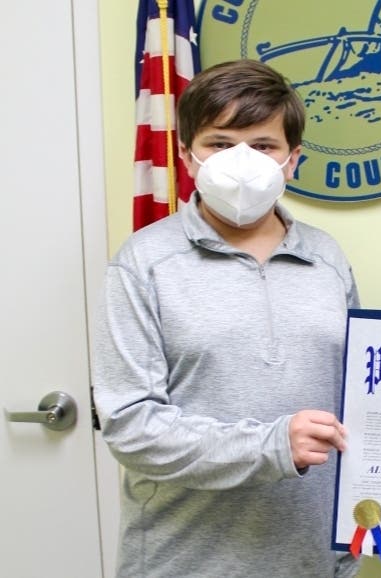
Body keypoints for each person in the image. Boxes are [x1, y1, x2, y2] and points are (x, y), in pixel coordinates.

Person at [93, 59, 360, 578]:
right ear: (187, 156)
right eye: (220, 143)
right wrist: (271, 445)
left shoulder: (328, 259)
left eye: (263, 146)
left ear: (292, 159)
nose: (242, 162)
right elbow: (130, 426)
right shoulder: (143, 263)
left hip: (312, 560)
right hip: (187, 560)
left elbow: (359, 402)